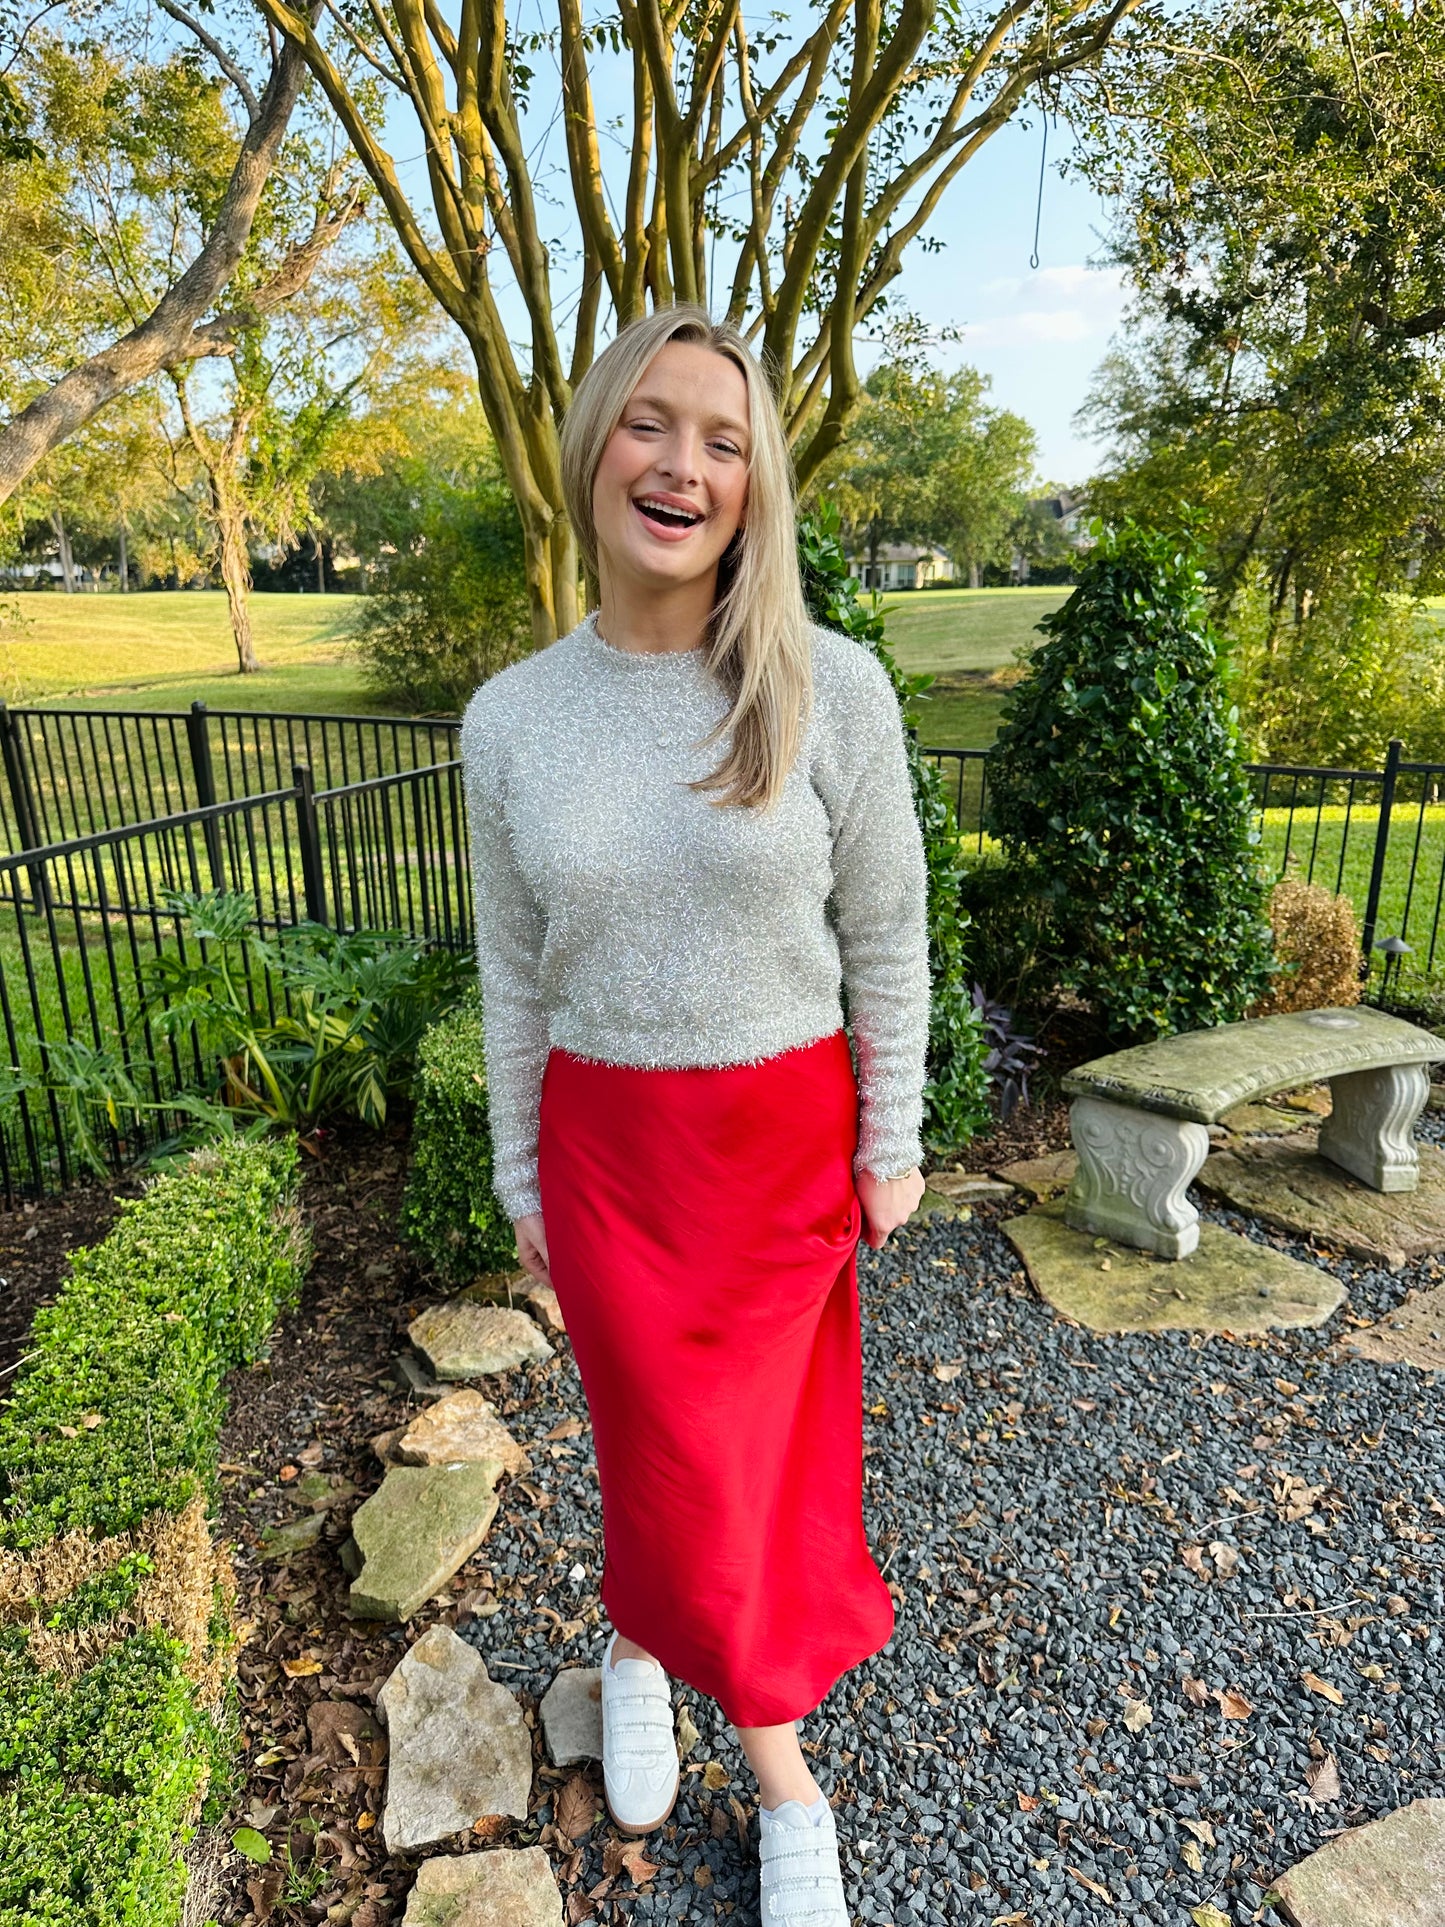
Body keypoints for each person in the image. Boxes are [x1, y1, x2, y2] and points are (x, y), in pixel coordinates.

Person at [460, 302, 930, 1925]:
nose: (683, 465)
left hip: (781, 1144)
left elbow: (884, 934)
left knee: (749, 1469)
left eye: (723, 440)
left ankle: (715, 1708)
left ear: (757, 485)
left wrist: (892, 1136)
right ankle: (717, 1709)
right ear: (594, 450)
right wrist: (519, 1164)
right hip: (610, 1156)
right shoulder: (511, 718)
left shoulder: (829, 689)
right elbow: (510, 974)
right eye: (652, 425)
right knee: (658, 1447)